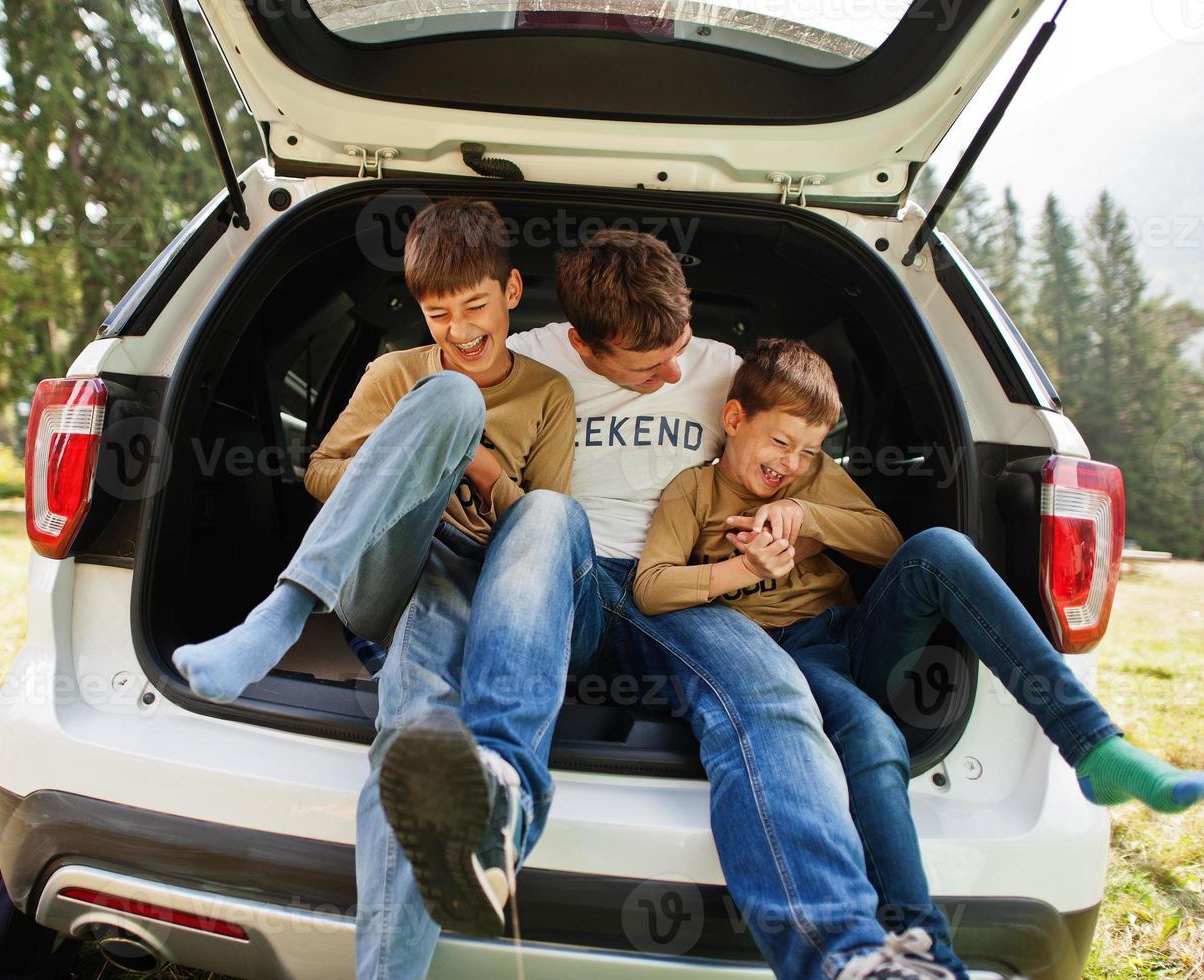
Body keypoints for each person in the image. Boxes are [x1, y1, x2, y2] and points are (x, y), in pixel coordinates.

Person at [383, 230, 957, 979]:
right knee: (550, 515)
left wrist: (790, 535)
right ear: (586, 348)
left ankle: (844, 956)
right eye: (651, 364)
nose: (678, 367)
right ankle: (501, 795)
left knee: (774, 692)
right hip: (570, 578)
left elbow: (799, 453)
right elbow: (414, 412)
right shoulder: (527, 361)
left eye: (681, 342)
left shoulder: (728, 376)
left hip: (677, 586)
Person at [633, 337, 1204, 976]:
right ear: (734, 419)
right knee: (874, 736)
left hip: (844, 637)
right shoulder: (694, 493)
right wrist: (741, 570)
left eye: (809, 450)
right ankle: (923, 942)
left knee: (938, 548)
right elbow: (650, 588)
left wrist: (807, 515)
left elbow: (886, 542)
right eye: (779, 442)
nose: (791, 462)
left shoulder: (814, 480)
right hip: (772, 662)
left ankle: (1093, 744)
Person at [169, 197, 581, 978]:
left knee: (414, 728)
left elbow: (545, 526)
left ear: (513, 291)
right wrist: (426, 455)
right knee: (451, 400)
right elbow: (321, 471)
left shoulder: (548, 394)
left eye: (475, 306)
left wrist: (489, 479)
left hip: (478, 579)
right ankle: (282, 612)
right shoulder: (396, 372)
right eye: (437, 313)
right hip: (385, 566)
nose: (459, 330)